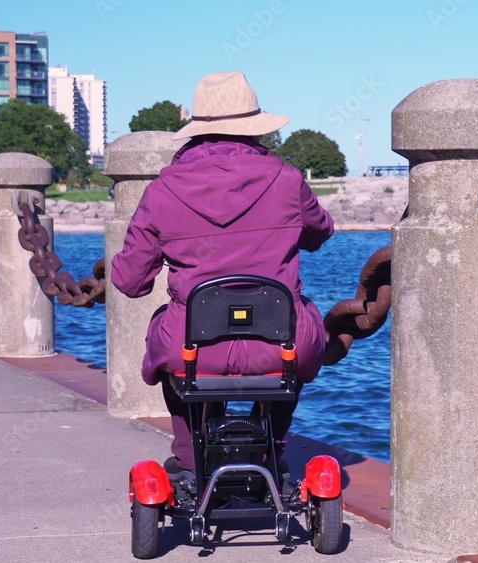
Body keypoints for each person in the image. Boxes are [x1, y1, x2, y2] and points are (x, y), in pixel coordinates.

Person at [111, 72, 334, 486]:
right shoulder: (286, 180)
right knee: (302, 317)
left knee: (169, 325)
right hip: (279, 346)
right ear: (253, 127)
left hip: (193, 351)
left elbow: (129, 281)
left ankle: (189, 459)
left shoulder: (162, 191)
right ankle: (270, 450)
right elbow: (321, 233)